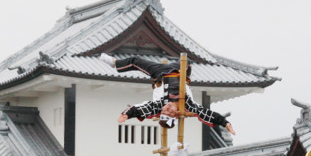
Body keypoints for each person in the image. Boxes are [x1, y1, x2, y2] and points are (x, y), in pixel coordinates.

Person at [101, 54, 236, 134]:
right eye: (169, 112)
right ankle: (187, 74)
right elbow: (207, 114)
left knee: (135, 60)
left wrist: (127, 113)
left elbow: (141, 109)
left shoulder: (159, 106)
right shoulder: (187, 106)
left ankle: (115, 63)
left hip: (160, 73)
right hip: (179, 71)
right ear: (175, 115)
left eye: (164, 111)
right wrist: (225, 123)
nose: (166, 109)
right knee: (186, 61)